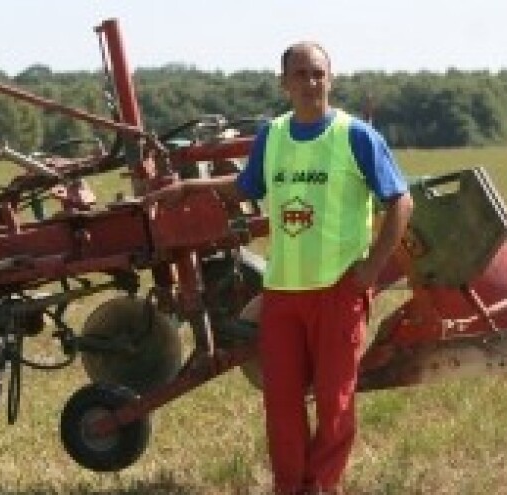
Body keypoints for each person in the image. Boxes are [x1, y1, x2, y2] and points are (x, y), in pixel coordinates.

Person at [145, 42, 414, 494]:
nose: (311, 84)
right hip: (283, 294)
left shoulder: (355, 136)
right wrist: (190, 186)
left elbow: (400, 202)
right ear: (283, 82)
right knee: (282, 403)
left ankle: (323, 486)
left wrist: (370, 269)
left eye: (318, 74)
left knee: (334, 401)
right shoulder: (274, 135)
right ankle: (289, 486)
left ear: (331, 79)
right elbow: (246, 185)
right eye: (301, 75)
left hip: (337, 291)